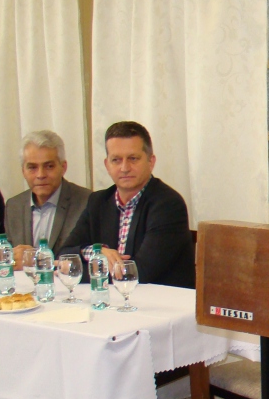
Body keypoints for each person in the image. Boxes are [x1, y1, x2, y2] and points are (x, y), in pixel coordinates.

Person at [62, 121, 194, 289]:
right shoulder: (98, 201)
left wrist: (76, 269)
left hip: (158, 300)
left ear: (151, 161)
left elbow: (140, 272)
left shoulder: (168, 205)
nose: (124, 168)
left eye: (133, 159)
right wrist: (97, 252)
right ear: (107, 165)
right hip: (110, 298)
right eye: (116, 160)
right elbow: (64, 253)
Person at [4, 130, 90, 262]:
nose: (40, 175)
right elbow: (11, 258)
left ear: (63, 167)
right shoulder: (14, 206)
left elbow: (87, 257)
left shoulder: (87, 202)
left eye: (49, 166)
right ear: (23, 171)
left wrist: (35, 259)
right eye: (32, 167)